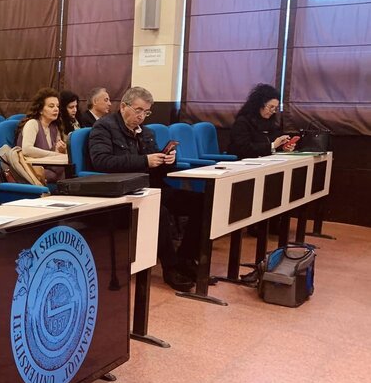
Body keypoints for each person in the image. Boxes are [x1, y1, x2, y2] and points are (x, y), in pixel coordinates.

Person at [88, 86, 201, 292]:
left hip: (152, 187)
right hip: (123, 191)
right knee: (159, 211)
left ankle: (186, 258)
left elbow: (156, 167)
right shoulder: (103, 128)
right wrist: (144, 161)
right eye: (138, 110)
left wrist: (168, 160)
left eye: (146, 112)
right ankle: (171, 268)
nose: (141, 116)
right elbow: (102, 162)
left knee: (201, 203)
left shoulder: (147, 132)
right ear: (123, 107)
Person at [229, 84, 295, 159]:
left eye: (275, 108)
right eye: (271, 107)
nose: (273, 111)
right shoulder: (242, 122)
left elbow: (270, 146)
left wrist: (283, 147)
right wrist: (273, 145)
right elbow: (244, 149)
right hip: (243, 162)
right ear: (259, 104)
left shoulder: (270, 123)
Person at [16, 87, 67, 184]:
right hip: (31, 168)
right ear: (40, 110)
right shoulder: (32, 123)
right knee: (56, 174)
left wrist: (61, 150)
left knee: (66, 170)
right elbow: (27, 149)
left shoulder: (54, 127)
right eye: (51, 106)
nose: (56, 109)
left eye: (57, 106)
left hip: (48, 166)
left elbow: (57, 153)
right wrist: (54, 154)